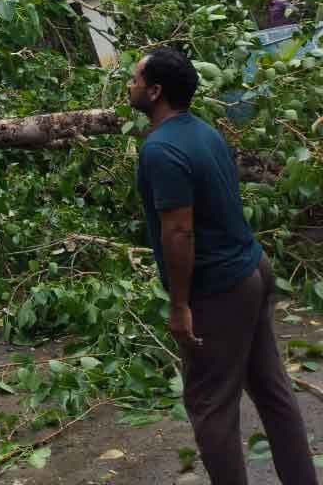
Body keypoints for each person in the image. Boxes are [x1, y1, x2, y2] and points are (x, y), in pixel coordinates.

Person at [128, 46, 316, 485]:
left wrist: (180, 305)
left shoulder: (160, 150)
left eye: (135, 79)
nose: (129, 85)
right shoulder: (205, 132)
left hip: (220, 289)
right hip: (253, 269)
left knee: (210, 405)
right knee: (271, 390)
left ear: (155, 92)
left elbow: (179, 232)